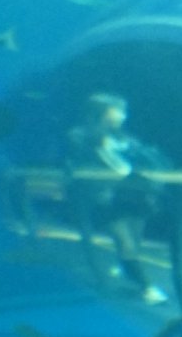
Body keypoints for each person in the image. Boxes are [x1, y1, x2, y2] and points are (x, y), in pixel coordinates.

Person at [66, 92, 171, 304]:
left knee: (134, 241)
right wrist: (98, 139)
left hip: (132, 198)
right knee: (126, 243)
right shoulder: (79, 135)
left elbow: (139, 164)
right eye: (118, 110)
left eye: (123, 111)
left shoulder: (126, 138)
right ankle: (146, 287)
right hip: (104, 199)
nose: (123, 115)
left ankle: (127, 269)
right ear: (101, 111)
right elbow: (78, 162)